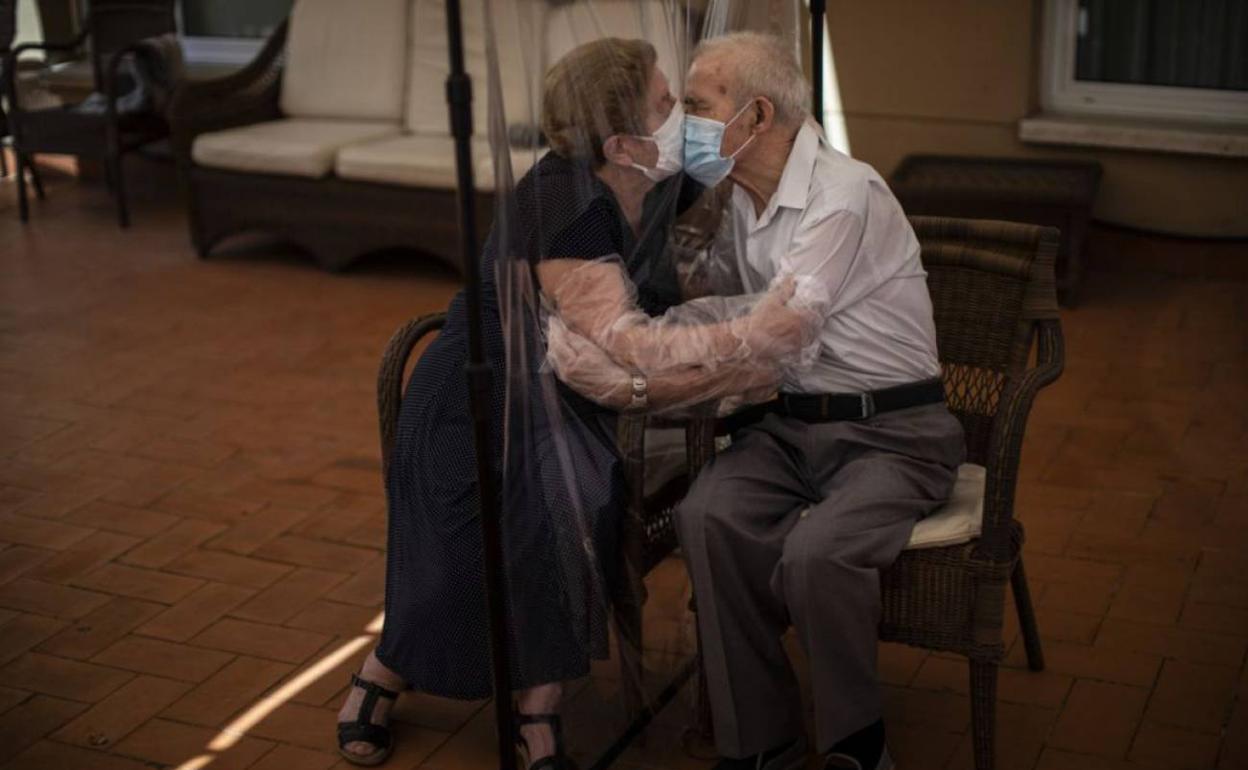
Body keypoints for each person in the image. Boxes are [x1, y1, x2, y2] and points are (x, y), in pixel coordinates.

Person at [336, 37, 804, 769]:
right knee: (520, 520)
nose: (681, 114)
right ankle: (385, 669)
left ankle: (538, 708)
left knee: (577, 503)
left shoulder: (647, 178)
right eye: (665, 103)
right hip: (483, 397)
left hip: (569, 397)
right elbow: (627, 345)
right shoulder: (567, 206)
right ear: (620, 143)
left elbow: (735, 154)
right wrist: (754, 340)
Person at [674, 32, 966, 770]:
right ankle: (761, 742)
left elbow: (779, 331)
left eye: (696, 106)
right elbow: (717, 302)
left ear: (756, 115)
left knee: (816, 555)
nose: (684, 123)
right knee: (705, 517)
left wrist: (651, 372)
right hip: (788, 428)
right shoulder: (738, 197)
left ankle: (857, 745)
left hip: (894, 432)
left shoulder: (844, 192)